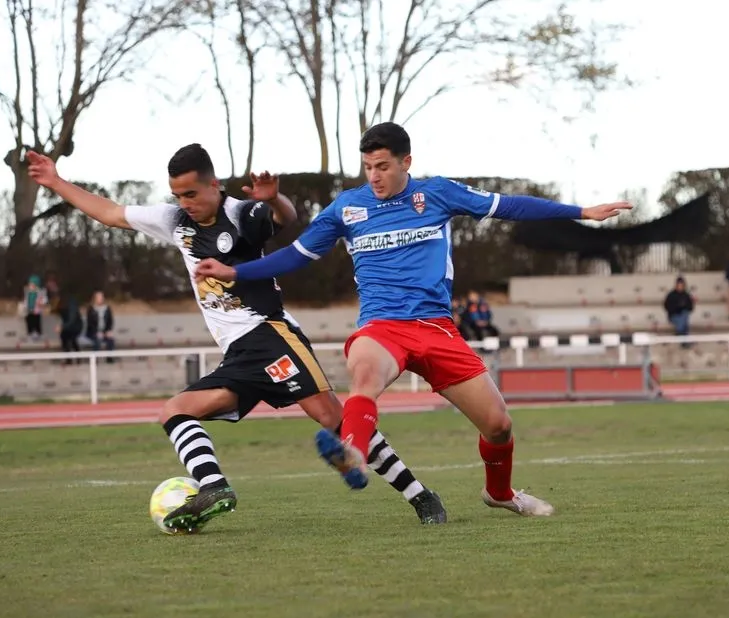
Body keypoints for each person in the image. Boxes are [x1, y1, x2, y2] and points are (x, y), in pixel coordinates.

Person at [194, 122, 630, 517]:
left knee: (498, 426)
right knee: (364, 374)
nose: (375, 176)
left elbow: (509, 205)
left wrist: (582, 212)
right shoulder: (347, 209)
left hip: (437, 329)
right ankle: (353, 454)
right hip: (382, 327)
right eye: (367, 167)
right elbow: (296, 255)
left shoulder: (437, 193)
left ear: (406, 162)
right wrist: (235, 271)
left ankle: (499, 493)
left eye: (383, 166)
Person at [26, 143, 446, 531]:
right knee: (175, 411)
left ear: (214, 185)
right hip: (238, 355)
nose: (184, 204)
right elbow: (111, 213)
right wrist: (55, 180)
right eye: (177, 195)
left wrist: (274, 199)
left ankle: (421, 496)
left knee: (333, 419)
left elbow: (284, 220)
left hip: (271, 337)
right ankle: (213, 487)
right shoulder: (175, 221)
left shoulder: (241, 213)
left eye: (191, 193)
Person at [85, 290, 116, 361]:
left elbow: (110, 321)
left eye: (101, 297)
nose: (100, 299)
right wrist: (96, 332)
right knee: (97, 339)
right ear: (95, 299)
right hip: (93, 332)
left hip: (105, 331)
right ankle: (95, 359)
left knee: (111, 340)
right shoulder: (91, 309)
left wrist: (108, 330)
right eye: (98, 297)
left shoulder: (107, 308)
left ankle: (110, 358)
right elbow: (90, 323)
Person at [663, 276, 694, 346]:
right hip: (674, 316)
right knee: (684, 322)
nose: (680, 287)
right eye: (679, 285)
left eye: (681, 285)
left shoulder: (686, 295)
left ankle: (680, 333)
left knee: (684, 316)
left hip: (683, 315)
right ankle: (684, 338)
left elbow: (690, 307)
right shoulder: (671, 295)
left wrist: (684, 306)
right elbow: (667, 306)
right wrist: (677, 307)